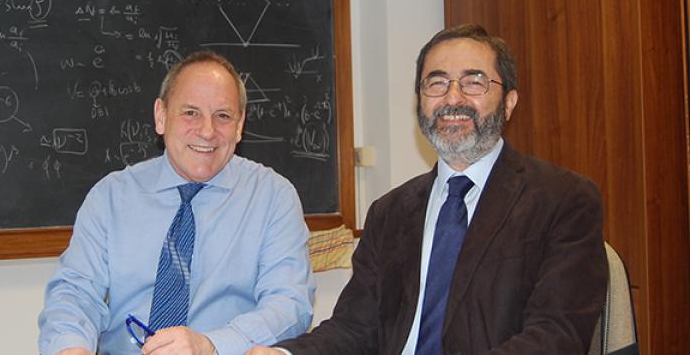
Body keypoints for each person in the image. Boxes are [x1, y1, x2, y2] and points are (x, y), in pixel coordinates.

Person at [247, 24, 608, 354]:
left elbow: (557, 335)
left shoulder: (563, 200)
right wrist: (285, 354)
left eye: (474, 81)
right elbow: (355, 328)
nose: (453, 98)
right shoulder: (390, 212)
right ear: (420, 100)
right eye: (436, 83)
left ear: (509, 102)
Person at [38, 51, 315, 355]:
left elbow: (290, 305)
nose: (207, 131)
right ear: (161, 116)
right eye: (190, 113)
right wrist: (71, 348)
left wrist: (211, 344)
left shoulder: (273, 197)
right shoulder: (111, 197)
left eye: (223, 115)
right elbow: (75, 294)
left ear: (239, 126)